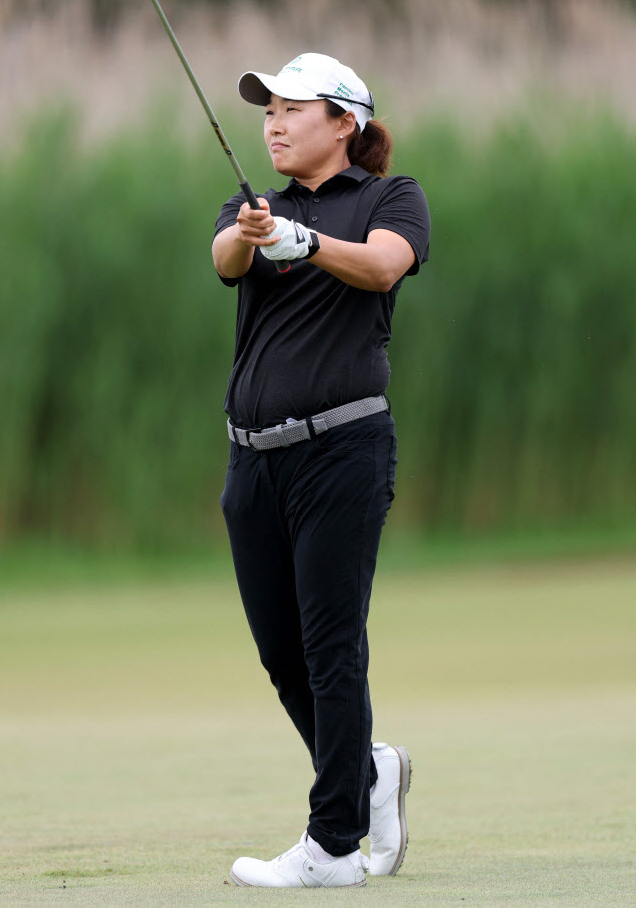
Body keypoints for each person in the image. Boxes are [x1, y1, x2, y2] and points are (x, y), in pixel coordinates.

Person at [212, 53, 430, 888]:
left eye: (292, 108)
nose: (273, 122)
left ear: (344, 122)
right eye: (267, 110)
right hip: (253, 462)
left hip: (343, 450)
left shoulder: (390, 196)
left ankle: (334, 844)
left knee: (332, 646)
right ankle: (369, 772)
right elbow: (226, 258)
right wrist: (255, 233)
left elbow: (382, 265)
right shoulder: (253, 208)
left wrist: (304, 243)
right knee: (284, 654)